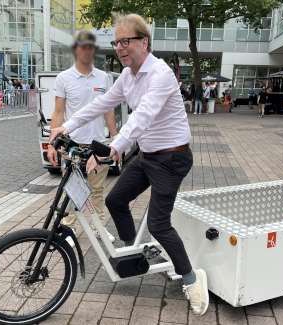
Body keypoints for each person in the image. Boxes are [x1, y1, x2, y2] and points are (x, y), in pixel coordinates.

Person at [48, 13, 209, 316]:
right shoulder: (128, 75)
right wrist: (67, 127)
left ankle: (191, 278)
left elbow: (142, 116)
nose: (120, 47)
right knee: (115, 199)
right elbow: (102, 103)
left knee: (160, 225)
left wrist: (113, 147)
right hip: (148, 155)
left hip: (172, 159)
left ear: (143, 42)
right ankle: (133, 254)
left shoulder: (160, 74)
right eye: (116, 42)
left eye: (126, 41)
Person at [47, 30, 118, 244]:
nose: (87, 51)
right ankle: (68, 229)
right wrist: (52, 145)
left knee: (96, 190)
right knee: (71, 191)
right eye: (83, 47)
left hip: (97, 143)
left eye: (90, 47)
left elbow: (108, 111)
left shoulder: (103, 77)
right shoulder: (64, 78)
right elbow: (58, 112)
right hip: (71, 145)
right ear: (76, 50)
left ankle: (99, 227)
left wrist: (117, 141)